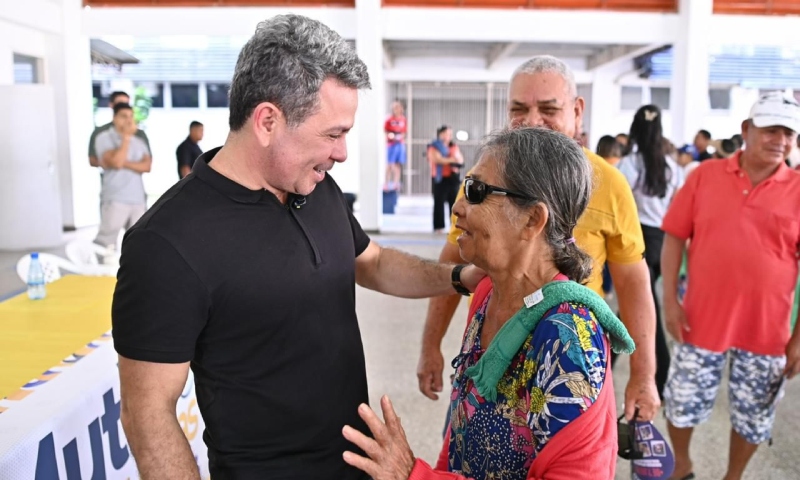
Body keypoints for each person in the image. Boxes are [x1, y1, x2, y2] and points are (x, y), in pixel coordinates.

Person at [111, 15, 484, 480]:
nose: (343, 152)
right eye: (333, 134)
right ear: (268, 120)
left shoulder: (315, 185)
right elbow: (148, 416)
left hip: (357, 463)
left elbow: (374, 263)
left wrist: (459, 277)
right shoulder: (166, 243)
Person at [342, 127, 635, 480]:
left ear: (532, 219)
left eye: (476, 191)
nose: (457, 207)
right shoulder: (487, 291)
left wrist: (413, 475)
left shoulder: (569, 340)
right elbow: (462, 432)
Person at [417, 55, 659, 423]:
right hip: (488, 356)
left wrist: (643, 376)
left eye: (548, 108)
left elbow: (634, 284)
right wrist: (430, 345)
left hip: (567, 363)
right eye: (518, 108)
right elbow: (453, 260)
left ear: (577, 111)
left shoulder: (608, 183)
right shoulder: (484, 180)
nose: (531, 122)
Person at [661, 91, 800, 480]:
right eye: (771, 129)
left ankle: (733, 476)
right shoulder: (704, 176)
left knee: (755, 415)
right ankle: (683, 465)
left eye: (789, 133)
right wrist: (670, 300)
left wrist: (798, 338)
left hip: (767, 330)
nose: (781, 140)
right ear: (746, 130)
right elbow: (674, 237)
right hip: (700, 320)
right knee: (682, 401)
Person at [616, 104, 685, 400]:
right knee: (633, 302)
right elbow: (676, 206)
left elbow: (621, 203)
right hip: (661, 239)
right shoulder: (673, 167)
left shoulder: (629, 164)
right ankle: (608, 360)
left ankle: (661, 371)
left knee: (641, 305)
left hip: (635, 238)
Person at [93, 103, 151, 249]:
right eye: (123, 116)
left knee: (138, 243)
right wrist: (125, 138)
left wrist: (123, 161)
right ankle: (101, 271)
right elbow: (117, 163)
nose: (128, 121)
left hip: (137, 199)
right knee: (106, 242)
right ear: (114, 118)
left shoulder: (139, 140)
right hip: (115, 198)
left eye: (131, 116)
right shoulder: (103, 137)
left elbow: (147, 166)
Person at [89, 91, 150, 167]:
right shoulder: (100, 133)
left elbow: (147, 164)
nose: (123, 106)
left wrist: (120, 162)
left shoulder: (139, 133)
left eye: (126, 103)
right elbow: (93, 160)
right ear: (111, 105)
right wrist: (111, 162)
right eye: (120, 103)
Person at [428, 125, 464, 233]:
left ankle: (454, 226)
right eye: (446, 134)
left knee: (454, 203)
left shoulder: (453, 146)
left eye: (450, 134)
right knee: (439, 203)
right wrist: (452, 159)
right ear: (440, 134)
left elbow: (460, 160)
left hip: (452, 178)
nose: (448, 136)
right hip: (440, 178)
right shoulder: (434, 146)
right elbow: (437, 159)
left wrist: (449, 160)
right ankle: (439, 227)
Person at [385, 100, 407, 191]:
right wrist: (391, 136)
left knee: (398, 165)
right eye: (395, 107)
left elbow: (404, 132)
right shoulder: (389, 119)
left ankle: (395, 183)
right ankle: (386, 184)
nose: (397, 109)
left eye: (398, 107)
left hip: (400, 144)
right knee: (390, 164)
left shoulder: (403, 119)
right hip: (391, 144)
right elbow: (386, 131)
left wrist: (400, 136)